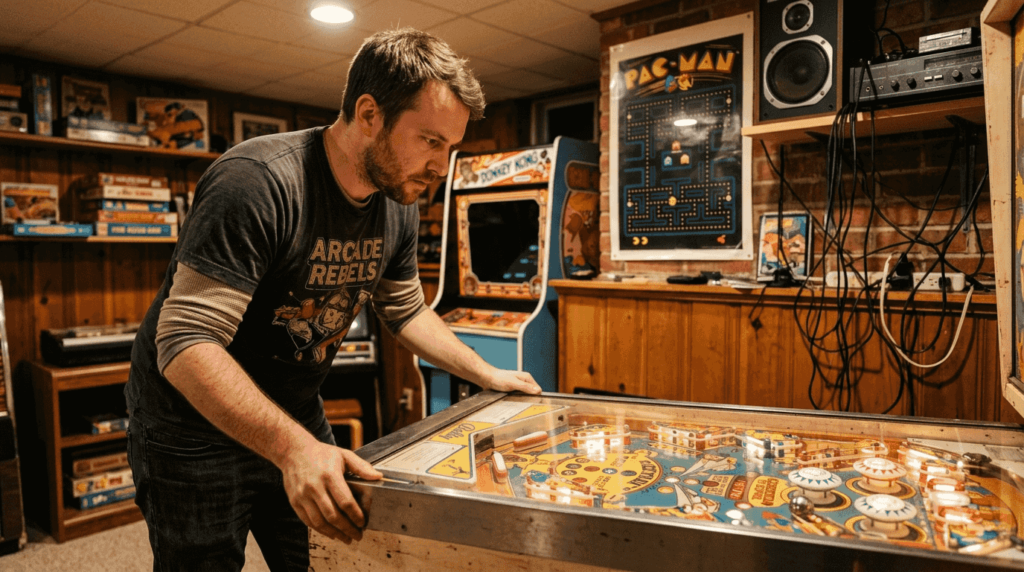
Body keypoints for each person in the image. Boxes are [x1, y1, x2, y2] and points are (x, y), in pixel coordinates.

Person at [125, 28, 542, 571]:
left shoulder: (397, 203)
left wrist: (486, 372)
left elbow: (407, 310)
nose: (442, 167)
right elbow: (185, 342)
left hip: (294, 413)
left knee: (332, 559)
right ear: (369, 114)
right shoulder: (258, 182)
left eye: (451, 147)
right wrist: (294, 450)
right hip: (191, 426)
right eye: (430, 141)